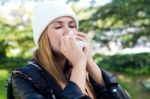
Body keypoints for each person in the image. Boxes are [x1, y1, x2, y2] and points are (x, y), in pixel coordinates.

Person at [7, 1, 131, 99]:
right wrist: (78, 66)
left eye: (72, 25)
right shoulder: (23, 79)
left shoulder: (84, 70)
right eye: (58, 26)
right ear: (43, 38)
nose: (69, 31)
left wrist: (89, 63)